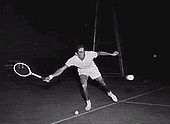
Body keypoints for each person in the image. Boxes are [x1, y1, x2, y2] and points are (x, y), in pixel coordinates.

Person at [44, 44, 119, 111]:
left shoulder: (89, 54)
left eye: (83, 51)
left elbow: (99, 53)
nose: (83, 53)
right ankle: (88, 102)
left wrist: (111, 54)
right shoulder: (72, 59)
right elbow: (61, 69)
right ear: (76, 54)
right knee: (84, 86)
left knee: (102, 83)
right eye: (80, 52)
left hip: (92, 69)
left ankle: (110, 93)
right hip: (82, 71)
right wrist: (51, 76)